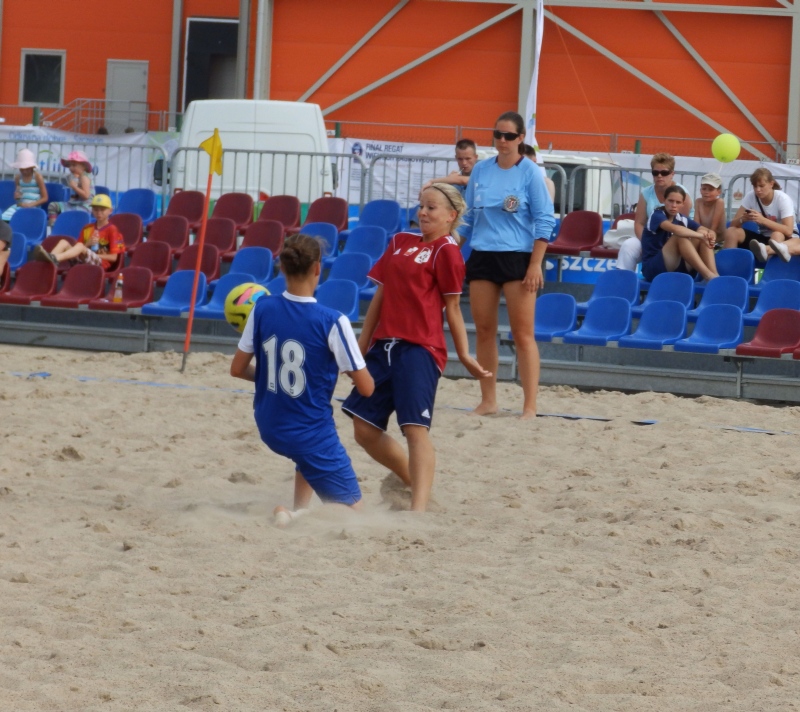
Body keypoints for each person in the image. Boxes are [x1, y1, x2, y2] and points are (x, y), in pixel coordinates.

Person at [342, 183, 491, 512]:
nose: (422, 212)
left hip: (420, 349)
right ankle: (412, 479)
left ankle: (419, 509)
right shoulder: (399, 241)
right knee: (363, 428)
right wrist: (362, 344)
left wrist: (464, 354)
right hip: (384, 346)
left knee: (414, 428)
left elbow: (452, 308)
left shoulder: (447, 251)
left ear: (451, 215)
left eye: (431, 207)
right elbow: (381, 294)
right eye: (421, 206)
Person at [230, 234, 375, 526]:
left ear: (282, 268)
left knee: (305, 450)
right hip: (309, 432)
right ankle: (292, 516)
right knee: (357, 518)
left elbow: (237, 369)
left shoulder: (261, 308)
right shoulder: (332, 320)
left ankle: (298, 509)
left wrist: (271, 378)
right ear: (318, 268)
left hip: (270, 425)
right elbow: (366, 388)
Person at [460, 110, 555, 419]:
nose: (502, 141)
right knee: (484, 330)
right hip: (483, 254)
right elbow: (469, 218)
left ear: (521, 138)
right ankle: (489, 400)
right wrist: (448, 248)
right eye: (497, 135)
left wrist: (535, 265)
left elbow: (544, 222)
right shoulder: (481, 170)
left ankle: (530, 405)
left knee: (522, 334)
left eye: (509, 136)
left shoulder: (529, 173)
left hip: (518, 256)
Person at [617, 153, 693, 271]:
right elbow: (639, 223)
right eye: (655, 172)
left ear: (672, 174)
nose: (659, 176)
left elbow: (680, 225)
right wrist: (646, 244)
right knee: (628, 246)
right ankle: (624, 281)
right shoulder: (646, 193)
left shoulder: (682, 194)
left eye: (664, 173)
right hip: (651, 238)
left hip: (675, 239)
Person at [641, 185, 717, 283]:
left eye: (678, 202)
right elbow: (676, 229)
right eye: (670, 201)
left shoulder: (681, 218)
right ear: (664, 200)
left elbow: (705, 230)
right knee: (680, 236)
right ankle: (708, 275)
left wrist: (711, 234)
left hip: (675, 266)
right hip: (653, 269)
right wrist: (701, 236)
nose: (674, 205)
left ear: (683, 204)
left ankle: (714, 275)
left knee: (703, 233)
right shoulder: (657, 215)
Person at [723, 167, 800, 263]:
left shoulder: (782, 199)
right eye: (755, 186)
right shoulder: (751, 196)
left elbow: (788, 231)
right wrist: (742, 219)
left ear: (771, 184)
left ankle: (768, 260)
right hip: (762, 238)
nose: (758, 190)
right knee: (732, 231)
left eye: (761, 186)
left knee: (777, 234)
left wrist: (763, 220)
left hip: (785, 238)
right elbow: (732, 224)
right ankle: (728, 266)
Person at [34, 194, 124, 271]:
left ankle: (55, 258)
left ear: (110, 211)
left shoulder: (113, 230)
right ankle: (50, 260)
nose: (99, 213)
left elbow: (114, 258)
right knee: (63, 242)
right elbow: (78, 249)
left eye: (102, 210)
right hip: (83, 259)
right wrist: (88, 244)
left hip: (101, 264)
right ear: (92, 210)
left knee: (80, 246)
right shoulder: (87, 228)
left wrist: (94, 253)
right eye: (96, 210)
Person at [47, 150, 94, 227]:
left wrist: (74, 187)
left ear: (84, 166)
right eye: (70, 166)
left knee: (69, 216)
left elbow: (86, 196)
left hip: (83, 207)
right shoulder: (76, 177)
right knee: (53, 206)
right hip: (73, 204)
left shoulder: (84, 177)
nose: (71, 168)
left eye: (74, 165)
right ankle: (54, 227)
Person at [1, 148, 48, 222]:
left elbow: (45, 198)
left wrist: (32, 204)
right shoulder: (18, 178)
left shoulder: (37, 177)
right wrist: (17, 197)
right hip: (21, 205)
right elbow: (18, 198)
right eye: (22, 169)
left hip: (34, 206)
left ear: (32, 167)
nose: (24, 171)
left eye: (27, 169)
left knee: (23, 217)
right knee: (5, 217)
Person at [693, 172, 726, 244]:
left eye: (710, 189)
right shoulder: (698, 202)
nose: (706, 192)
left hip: (718, 241)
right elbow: (696, 224)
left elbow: (713, 228)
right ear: (700, 190)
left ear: (718, 192)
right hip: (702, 236)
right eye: (704, 189)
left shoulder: (719, 202)